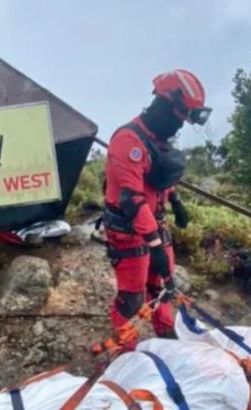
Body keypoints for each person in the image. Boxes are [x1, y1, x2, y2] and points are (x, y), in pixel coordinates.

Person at [102, 69, 211, 352]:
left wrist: (175, 202)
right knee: (131, 300)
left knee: (163, 288)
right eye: (179, 118)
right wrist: (155, 246)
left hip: (155, 225)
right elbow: (132, 200)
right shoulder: (128, 141)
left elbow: (157, 179)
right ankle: (127, 355)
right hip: (128, 231)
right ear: (163, 104)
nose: (180, 126)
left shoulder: (158, 139)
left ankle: (167, 340)